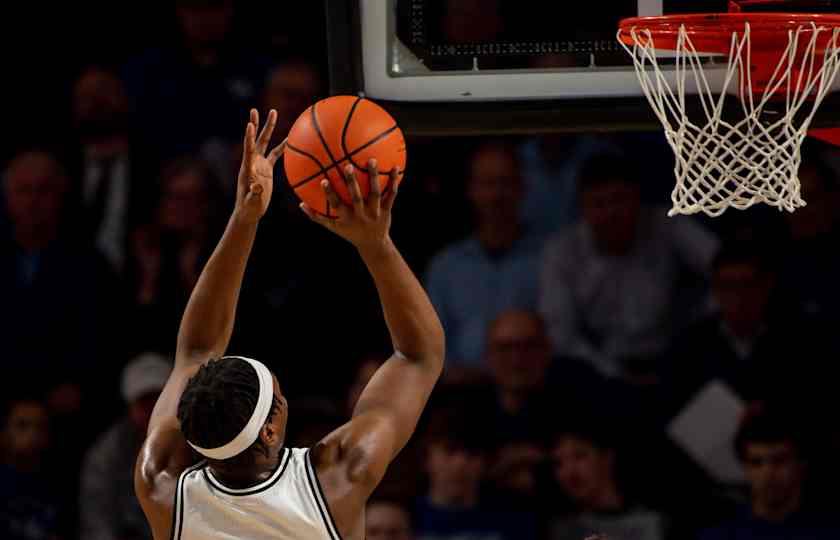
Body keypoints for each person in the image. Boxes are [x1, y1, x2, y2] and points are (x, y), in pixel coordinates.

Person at [134, 109, 445, 540]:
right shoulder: (333, 481)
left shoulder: (163, 488)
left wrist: (243, 220)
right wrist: (376, 244)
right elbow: (419, 355)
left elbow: (196, 349)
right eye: (279, 396)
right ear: (269, 428)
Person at [539, 154, 719, 380]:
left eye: (619, 199)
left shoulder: (666, 225)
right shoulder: (562, 251)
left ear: (637, 199)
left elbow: (725, 264)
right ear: (582, 208)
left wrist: (702, 330)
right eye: (599, 203)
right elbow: (561, 336)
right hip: (598, 373)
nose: (610, 213)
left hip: (675, 361)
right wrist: (615, 375)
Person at [425, 140, 542, 370]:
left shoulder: (547, 259)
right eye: (488, 183)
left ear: (522, 187)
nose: (497, 194)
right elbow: (429, 346)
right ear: (472, 190)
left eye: (505, 182)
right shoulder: (446, 266)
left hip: (530, 390)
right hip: (459, 392)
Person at [699, 406, 840, 540]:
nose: (768, 474)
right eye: (756, 463)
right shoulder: (720, 535)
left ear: (801, 463)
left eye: (779, 460)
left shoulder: (831, 531)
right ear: (745, 467)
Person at [80, 353, 171, 540]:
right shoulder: (106, 454)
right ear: (130, 406)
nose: (152, 409)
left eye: (158, 398)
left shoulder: (197, 443)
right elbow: (98, 520)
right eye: (144, 402)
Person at [548, 422, 667, 540]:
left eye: (579, 456)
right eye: (558, 463)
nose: (568, 472)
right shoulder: (560, 530)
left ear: (607, 457)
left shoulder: (653, 522)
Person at [0, 396, 67, 540]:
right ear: (4, 433)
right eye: (22, 425)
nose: (32, 434)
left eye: (40, 427)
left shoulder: (58, 483)